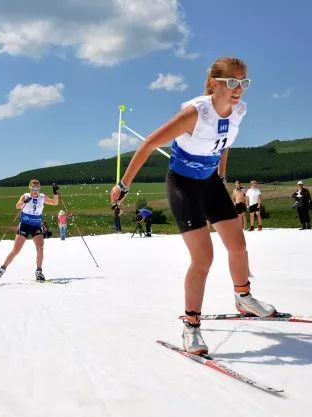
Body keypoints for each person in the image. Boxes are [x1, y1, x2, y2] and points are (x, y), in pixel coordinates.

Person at [110, 56, 276, 356]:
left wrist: (221, 176)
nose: (239, 89)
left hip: (210, 183)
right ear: (215, 83)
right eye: (233, 82)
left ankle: (243, 297)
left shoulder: (239, 110)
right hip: (183, 185)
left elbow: (225, 144)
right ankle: (191, 326)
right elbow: (148, 143)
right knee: (204, 258)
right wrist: (123, 185)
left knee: (238, 244)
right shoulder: (195, 113)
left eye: (244, 82)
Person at [0, 179, 59, 282]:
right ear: (30, 188)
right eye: (33, 189)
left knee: (40, 247)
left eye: (37, 189)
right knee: (16, 250)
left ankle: (39, 272)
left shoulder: (42, 197)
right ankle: (2, 269)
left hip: (36, 226)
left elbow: (55, 202)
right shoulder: (25, 196)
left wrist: (55, 192)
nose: (35, 191)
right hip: (24, 225)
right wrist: (24, 202)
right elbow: (17, 206)